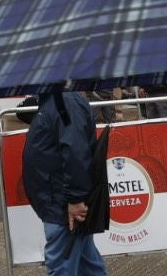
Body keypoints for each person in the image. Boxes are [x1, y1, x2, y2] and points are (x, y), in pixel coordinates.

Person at [22, 84, 108, 276]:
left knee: (63, 266)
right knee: (87, 265)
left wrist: (75, 199)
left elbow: (76, 152)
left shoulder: (65, 102)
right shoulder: (57, 100)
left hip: (61, 204)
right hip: (60, 201)